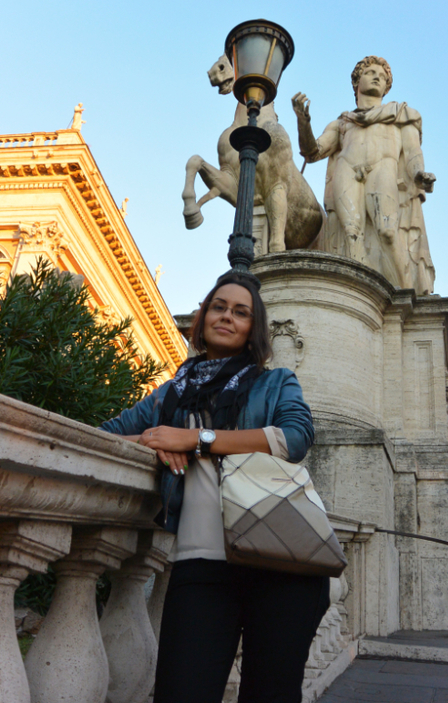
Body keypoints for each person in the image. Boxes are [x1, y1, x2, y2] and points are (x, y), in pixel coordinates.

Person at [99, 271, 329, 703]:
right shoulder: (169, 394)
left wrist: (195, 439)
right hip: (200, 563)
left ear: (253, 329)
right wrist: (156, 439)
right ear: (203, 317)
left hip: (283, 563)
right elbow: (103, 436)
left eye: (241, 312)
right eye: (218, 307)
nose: (227, 316)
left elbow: (295, 438)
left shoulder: (275, 382)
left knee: (270, 695)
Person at [292, 56, 435, 294]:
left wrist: (419, 174)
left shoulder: (401, 115)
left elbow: (412, 153)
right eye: (370, 73)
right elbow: (312, 152)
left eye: (383, 76)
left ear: (387, 86)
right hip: (347, 169)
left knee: (388, 232)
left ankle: (409, 296)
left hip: (382, 168)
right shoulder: (343, 123)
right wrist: (303, 123)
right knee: (351, 235)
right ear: (357, 82)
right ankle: (361, 297)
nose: (377, 77)